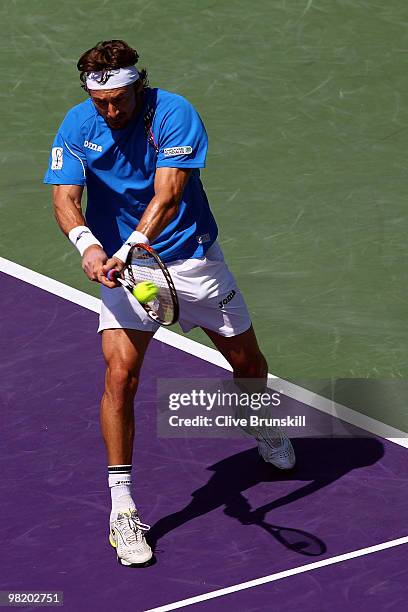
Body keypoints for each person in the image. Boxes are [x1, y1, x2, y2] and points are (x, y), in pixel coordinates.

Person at [44, 39, 295, 567]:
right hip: (126, 274)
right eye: (100, 102)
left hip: (191, 261)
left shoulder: (173, 113)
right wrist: (89, 247)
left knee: (249, 366)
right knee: (119, 378)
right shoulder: (77, 124)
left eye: (119, 99)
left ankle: (259, 417)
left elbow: (169, 193)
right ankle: (122, 508)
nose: (110, 111)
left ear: (138, 85)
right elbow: (66, 197)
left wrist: (130, 245)